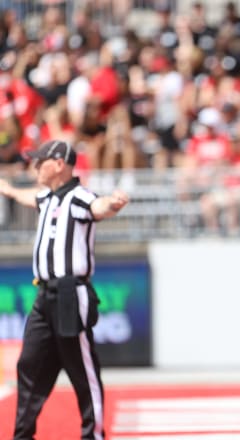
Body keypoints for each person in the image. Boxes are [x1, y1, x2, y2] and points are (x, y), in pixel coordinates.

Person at [0, 140, 129, 440]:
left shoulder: (79, 197)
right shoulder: (48, 197)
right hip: (44, 294)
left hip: (71, 293)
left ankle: (92, 434)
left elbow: (98, 207)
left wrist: (114, 203)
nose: (34, 166)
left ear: (59, 164)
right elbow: (31, 197)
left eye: (40, 161)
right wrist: (8, 190)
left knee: (82, 369)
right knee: (29, 365)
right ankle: (22, 435)